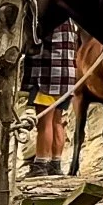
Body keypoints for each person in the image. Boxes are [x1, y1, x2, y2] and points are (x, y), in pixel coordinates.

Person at [23, 19, 79, 175]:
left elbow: (34, 44)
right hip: (67, 78)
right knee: (57, 122)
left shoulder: (48, 19)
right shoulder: (70, 21)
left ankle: (41, 164)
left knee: (44, 123)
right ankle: (55, 164)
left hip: (47, 76)